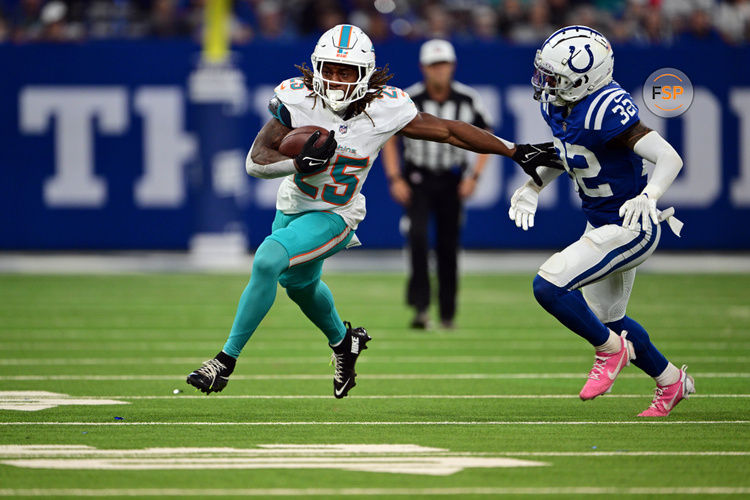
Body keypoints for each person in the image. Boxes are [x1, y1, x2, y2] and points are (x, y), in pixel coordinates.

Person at [187, 24, 560, 399]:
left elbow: (450, 131)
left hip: (338, 213)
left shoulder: (385, 108)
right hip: (293, 205)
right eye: (329, 69)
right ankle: (344, 342)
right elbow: (256, 161)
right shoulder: (298, 100)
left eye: (345, 71)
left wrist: (514, 150)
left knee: (268, 259)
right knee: (299, 286)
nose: (335, 79)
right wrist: (299, 164)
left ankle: (224, 361)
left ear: (365, 74)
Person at [509, 25, 694, 417]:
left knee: (549, 285)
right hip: (600, 223)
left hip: (632, 224)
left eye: (555, 77)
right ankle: (671, 381)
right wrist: (533, 186)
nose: (545, 83)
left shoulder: (607, 106)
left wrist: (650, 196)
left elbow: (669, 157)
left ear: (584, 79)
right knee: (611, 318)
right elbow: (571, 154)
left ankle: (610, 351)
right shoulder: (560, 105)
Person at [382, 39, 492, 329]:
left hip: (452, 178)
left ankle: (447, 313)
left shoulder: (468, 99)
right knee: (417, 239)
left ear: (452, 66)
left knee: (448, 245)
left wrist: (474, 176)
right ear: (423, 68)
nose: (439, 70)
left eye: (443, 64)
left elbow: (486, 135)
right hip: (418, 178)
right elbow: (390, 139)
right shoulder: (409, 99)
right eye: (434, 65)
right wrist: (395, 177)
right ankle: (420, 309)